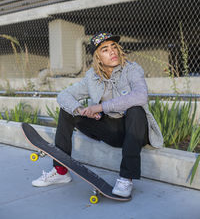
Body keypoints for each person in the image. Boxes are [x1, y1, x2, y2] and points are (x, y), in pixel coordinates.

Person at [32, 32, 163, 198]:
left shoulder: (132, 69)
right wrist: (81, 110)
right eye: (105, 49)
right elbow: (63, 96)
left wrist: (100, 107)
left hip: (135, 132)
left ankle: (126, 179)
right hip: (110, 130)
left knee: (136, 110)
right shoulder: (92, 78)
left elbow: (140, 96)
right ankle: (60, 171)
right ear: (98, 57)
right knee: (67, 110)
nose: (112, 51)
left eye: (114, 47)